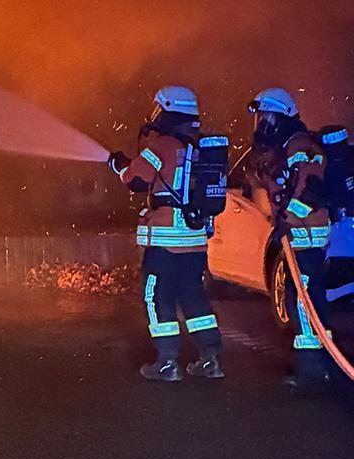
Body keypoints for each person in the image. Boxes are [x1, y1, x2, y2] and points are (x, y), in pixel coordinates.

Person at [107, 86, 224, 382]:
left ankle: (167, 361)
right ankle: (210, 359)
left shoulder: (163, 145)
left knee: (156, 297)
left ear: (166, 110)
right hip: (195, 239)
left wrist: (118, 164)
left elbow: (133, 179)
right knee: (195, 297)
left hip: (165, 241)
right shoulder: (201, 147)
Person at [233, 88, 333, 394]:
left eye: (266, 117)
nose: (262, 123)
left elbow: (311, 188)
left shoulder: (301, 145)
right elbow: (286, 186)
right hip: (298, 236)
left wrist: (289, 217)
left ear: (280, 118)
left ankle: (313, 373)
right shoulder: (287, 146)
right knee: (299, 300)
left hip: (306, 236)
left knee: (305, 303)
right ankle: (311, 367)